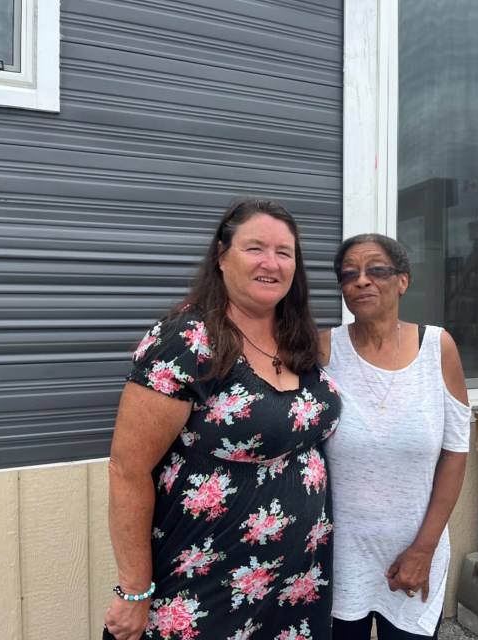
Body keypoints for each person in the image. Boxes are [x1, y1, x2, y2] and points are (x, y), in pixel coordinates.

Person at [103, 196, 342, 640]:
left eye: (284, 252)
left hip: (296, 581)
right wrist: (135, 591)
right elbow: (127, 468)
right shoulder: (186, 339)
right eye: (255, 248)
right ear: (221, 256)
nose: (270, 262)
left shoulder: (297, 336)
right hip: (206, 583)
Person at [319, 234, 471, 639]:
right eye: (349, 274)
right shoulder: (323, 352)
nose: (362, 281)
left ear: (403, 280)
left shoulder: (438, 348)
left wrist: (423, 550)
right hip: (339, 555)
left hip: (416, 552)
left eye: (377, 270)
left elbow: (456, 454)